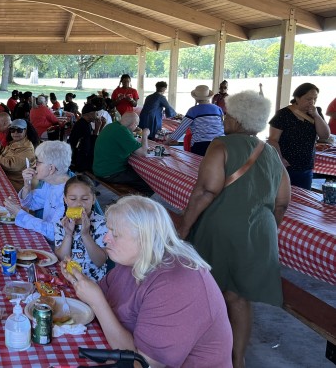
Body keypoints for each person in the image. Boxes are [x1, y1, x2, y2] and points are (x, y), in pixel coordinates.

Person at [178, 91, 291, 368]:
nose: (224, 118)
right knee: (239, 298)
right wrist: (268, 229)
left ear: (238, 119)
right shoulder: (271, 152)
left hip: (221, 227)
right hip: (260, 231)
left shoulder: (221, 145)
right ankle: (237, 360)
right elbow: (283, 201)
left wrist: (182, 230)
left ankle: (199, 353)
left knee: (206, 291)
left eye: (228, 114)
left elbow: (205, 191)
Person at [61, 196, 232, 368]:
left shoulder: (177, 284)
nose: (106, 239)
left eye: (116, 234)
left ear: (144, 238)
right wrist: (79, 281)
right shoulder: (133, 260)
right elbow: (99, 297)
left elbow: (143, 364)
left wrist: (97, 302)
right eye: (108, 230)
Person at [3, 140, 72, 243]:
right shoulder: (51, 183)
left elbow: (55, 232)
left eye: (39, 162)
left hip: (59, 248)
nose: (35, 165)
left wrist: (19, 213)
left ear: (51, 168)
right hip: (46, 238)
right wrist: (27, 185)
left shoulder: (70, 195)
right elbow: (32, 204)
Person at [267, 82, 331, 189]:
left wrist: (316, 116)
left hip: (306, 166)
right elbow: (273, 140)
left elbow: (324, 135)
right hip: (285, 166)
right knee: (282, 198)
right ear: (297, 98)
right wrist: (280, 159)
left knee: (304, 199)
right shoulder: (283, 114)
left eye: (315, 99)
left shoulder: (316, 112)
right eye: (308, 99)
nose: (312, 102)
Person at [55, 175, 109, 282]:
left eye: (85, 199)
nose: (79, 203)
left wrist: (85, 234)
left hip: (94, 282)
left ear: (93, 199)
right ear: (65, 200)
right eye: (73, 199)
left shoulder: (103, 224)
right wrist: (68, 234)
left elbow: (100, 261)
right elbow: (62, 257)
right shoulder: (62, 223)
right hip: (68, 279)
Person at [92, 112, 153, 196]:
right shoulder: (122, 131)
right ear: (133, 124)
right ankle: (136, 205)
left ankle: (129, 199)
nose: (136, 127)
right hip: (109, 173)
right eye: (136, 125)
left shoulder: (112, 126)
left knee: (136, 171)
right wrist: (145, 135)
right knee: (148, 182)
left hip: (99, 168)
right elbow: (143, 153)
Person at [167, 85, 224, 156]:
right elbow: (222, 125)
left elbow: (182, 128)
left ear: (196, 98)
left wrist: (169, 140)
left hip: (201, 144)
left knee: (198, 165)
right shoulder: (218, 109)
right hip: (219, 144)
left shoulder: (193, 110)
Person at [0, 119, 37, 191]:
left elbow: (11, 165)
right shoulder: (14, 142)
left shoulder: (27, 148)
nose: (15, 133)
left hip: (19, 184)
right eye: (12, 130)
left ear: (25, 131)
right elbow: (6, 154)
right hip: (8, 176)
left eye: (19, 130)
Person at [69, 103, 104, 173]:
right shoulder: (83, 126)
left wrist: (101, 126)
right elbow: (89, 147)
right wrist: (97, 129)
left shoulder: (85, 123)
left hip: (80, 157)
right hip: (80, 162)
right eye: (96, 113)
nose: (97, 115)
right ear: (90, 114)